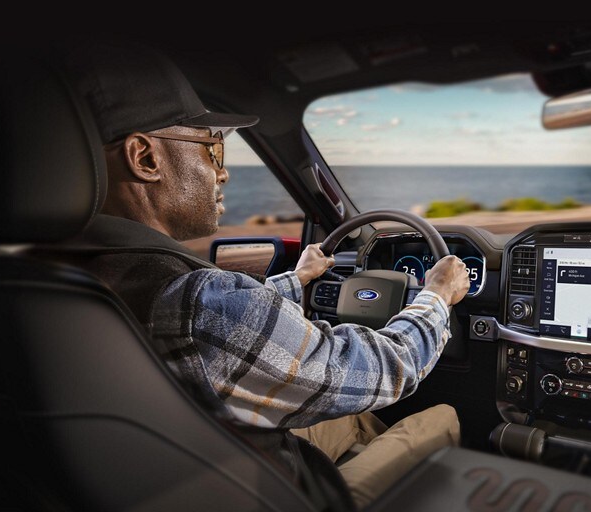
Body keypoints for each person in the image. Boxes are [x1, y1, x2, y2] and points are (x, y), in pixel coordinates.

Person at [52, 41, 471, 509]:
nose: (224, 173)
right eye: (213, 149)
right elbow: (385, 368)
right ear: (144, 158)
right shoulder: (201, 302)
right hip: (279, 493)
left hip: (173, 479)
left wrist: (298, 278)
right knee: (442, 416)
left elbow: (218, 332)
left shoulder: (50, 277)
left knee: (351, 417)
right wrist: (436, 296)